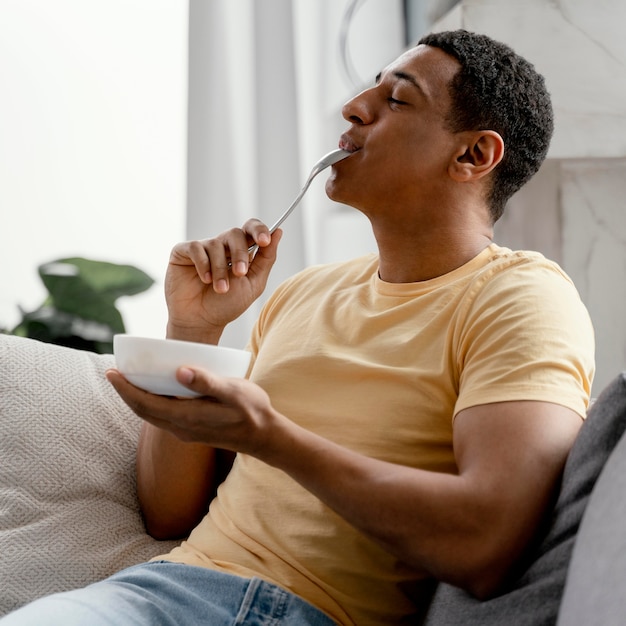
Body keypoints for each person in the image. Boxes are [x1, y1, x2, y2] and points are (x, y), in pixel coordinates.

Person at [2, 29, 594, 626]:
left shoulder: (521, 297)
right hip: (164, 585)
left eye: (397, 99)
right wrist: (195, 328)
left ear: (473, 156)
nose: (354, 107)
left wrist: (270, 437)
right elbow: (168, 515)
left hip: (291, 612)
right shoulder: (304, 293)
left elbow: (485, 543)